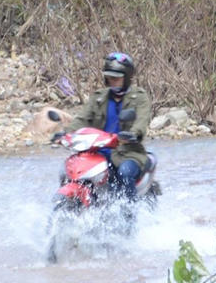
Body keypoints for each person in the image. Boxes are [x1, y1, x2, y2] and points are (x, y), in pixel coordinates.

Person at [57, 51, 152, 199]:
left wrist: (133, 134)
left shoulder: (139, 97)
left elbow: (142, 120)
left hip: (127, 152)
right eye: (109, 77)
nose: (112, 81)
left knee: (125, 173)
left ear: (126, 78)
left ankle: (128, 215)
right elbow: (82, 118)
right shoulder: (99, 97)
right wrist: (66, 133)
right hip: (98, 151)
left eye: (116, 78)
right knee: (70, 171)